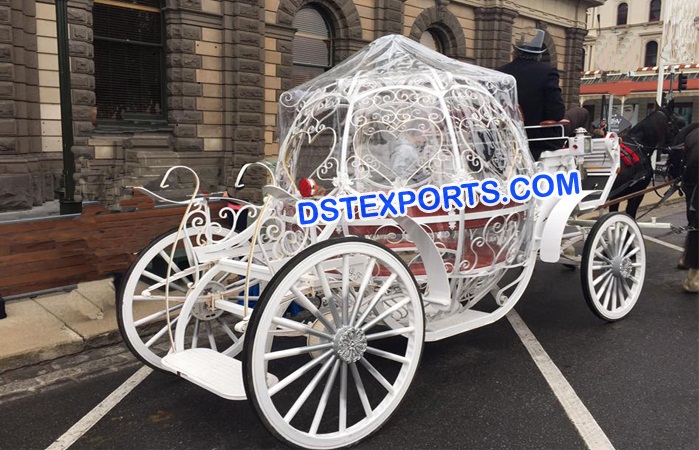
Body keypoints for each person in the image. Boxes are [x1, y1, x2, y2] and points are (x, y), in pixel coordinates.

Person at [498, 29, 565, 160]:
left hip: (506, 138)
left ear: (514, 53)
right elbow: (557, 112)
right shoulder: (548, 72)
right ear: (539, 55)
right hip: (538, 140)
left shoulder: (500, 72)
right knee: (580, 114)